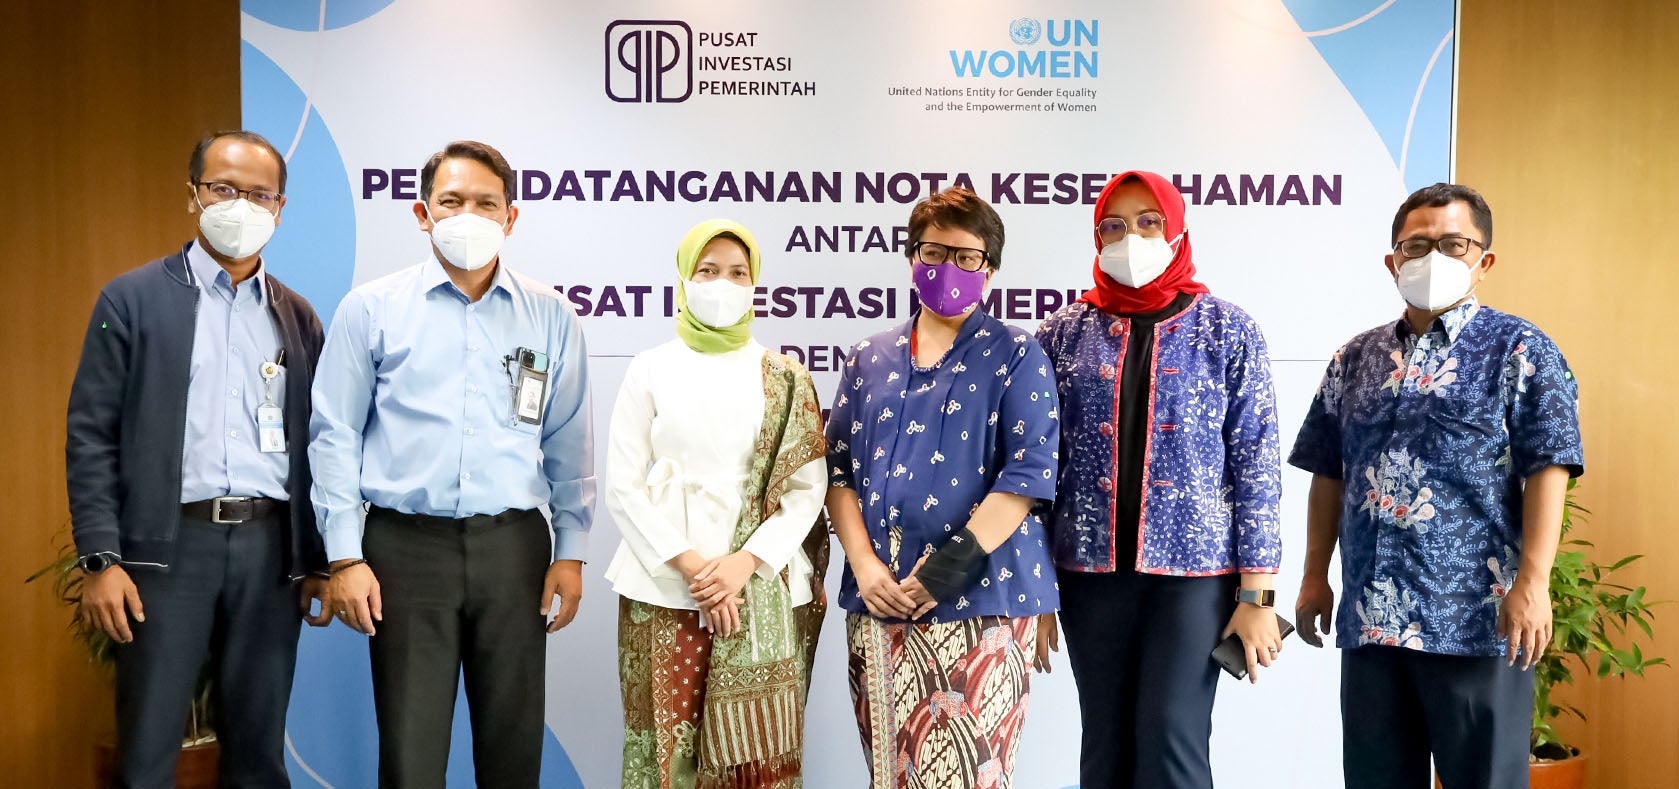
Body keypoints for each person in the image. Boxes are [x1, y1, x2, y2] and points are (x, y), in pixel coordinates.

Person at [308, 140, 595, 787]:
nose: (469, 214)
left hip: (513, 549)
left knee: (512, 749)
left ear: (510, 217)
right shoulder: (371, 309)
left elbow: (569, 440)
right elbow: (333, 437)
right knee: (411, 755)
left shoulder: (550, 314)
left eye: (485, 202)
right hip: (403, 551)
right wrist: (345, 557)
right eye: (451, 201)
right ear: (421, 212)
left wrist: (570, 549)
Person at [1290, 183, 1583, 789]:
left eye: (1453, 244)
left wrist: (1533, 584)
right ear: (1393, 260)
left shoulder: (1521, 350)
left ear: (1485, 260)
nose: (1432, 258)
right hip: (1373, 621)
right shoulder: (1354, 358)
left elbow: (1549, 468)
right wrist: (1315, 574)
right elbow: (1328, 471)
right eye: (1417, 245)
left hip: (1476, 621)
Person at [65, 130, 330, 787]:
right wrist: (101, 558)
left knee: (258, 747)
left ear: (280, 206)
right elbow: (90, 433)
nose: (239, 205)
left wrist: (318, 559)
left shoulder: (296, 316)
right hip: (167, 550)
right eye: (222, 189)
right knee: (150, 745)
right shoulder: (130, 300)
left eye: (257, 193)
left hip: (271, 554)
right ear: (193, 195)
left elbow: (321, 447)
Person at [1034, 170, 1284, 789]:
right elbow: (1038, 471)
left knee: (1171, 738)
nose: (1131, 237)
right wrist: (1036, 587)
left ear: (1176, 233)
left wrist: (1258, 596)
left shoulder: (1227, 328)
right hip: (1089, 575)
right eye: (1113, 225)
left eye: (1149, 221)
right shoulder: (1062, 334)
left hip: (1194, 576)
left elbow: (1257, 463)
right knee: (1106, 744)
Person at [824, 187, 1059, 789]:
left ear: (991, 269)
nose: (947, 268)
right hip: (878, 602)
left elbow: (1028, 476)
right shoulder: (868, 357)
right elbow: (838, 471)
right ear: (911, 257)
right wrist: (867, 568)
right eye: (933, 252)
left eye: (967, 256)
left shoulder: (1016, 354)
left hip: (981, 602)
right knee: (888, 775)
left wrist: (944, 571)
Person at [606, 220, 830, 788]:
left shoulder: (786, 375)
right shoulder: (650, 367)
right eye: (707, 271)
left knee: (756, 761)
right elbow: (623, 486)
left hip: (761, 586)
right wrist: (693, 567)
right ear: (684, 278)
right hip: (662, 588)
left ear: (755, 284)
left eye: (737, 273)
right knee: (665, 750)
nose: (722, 284)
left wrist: (741, 565)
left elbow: (807, 490)